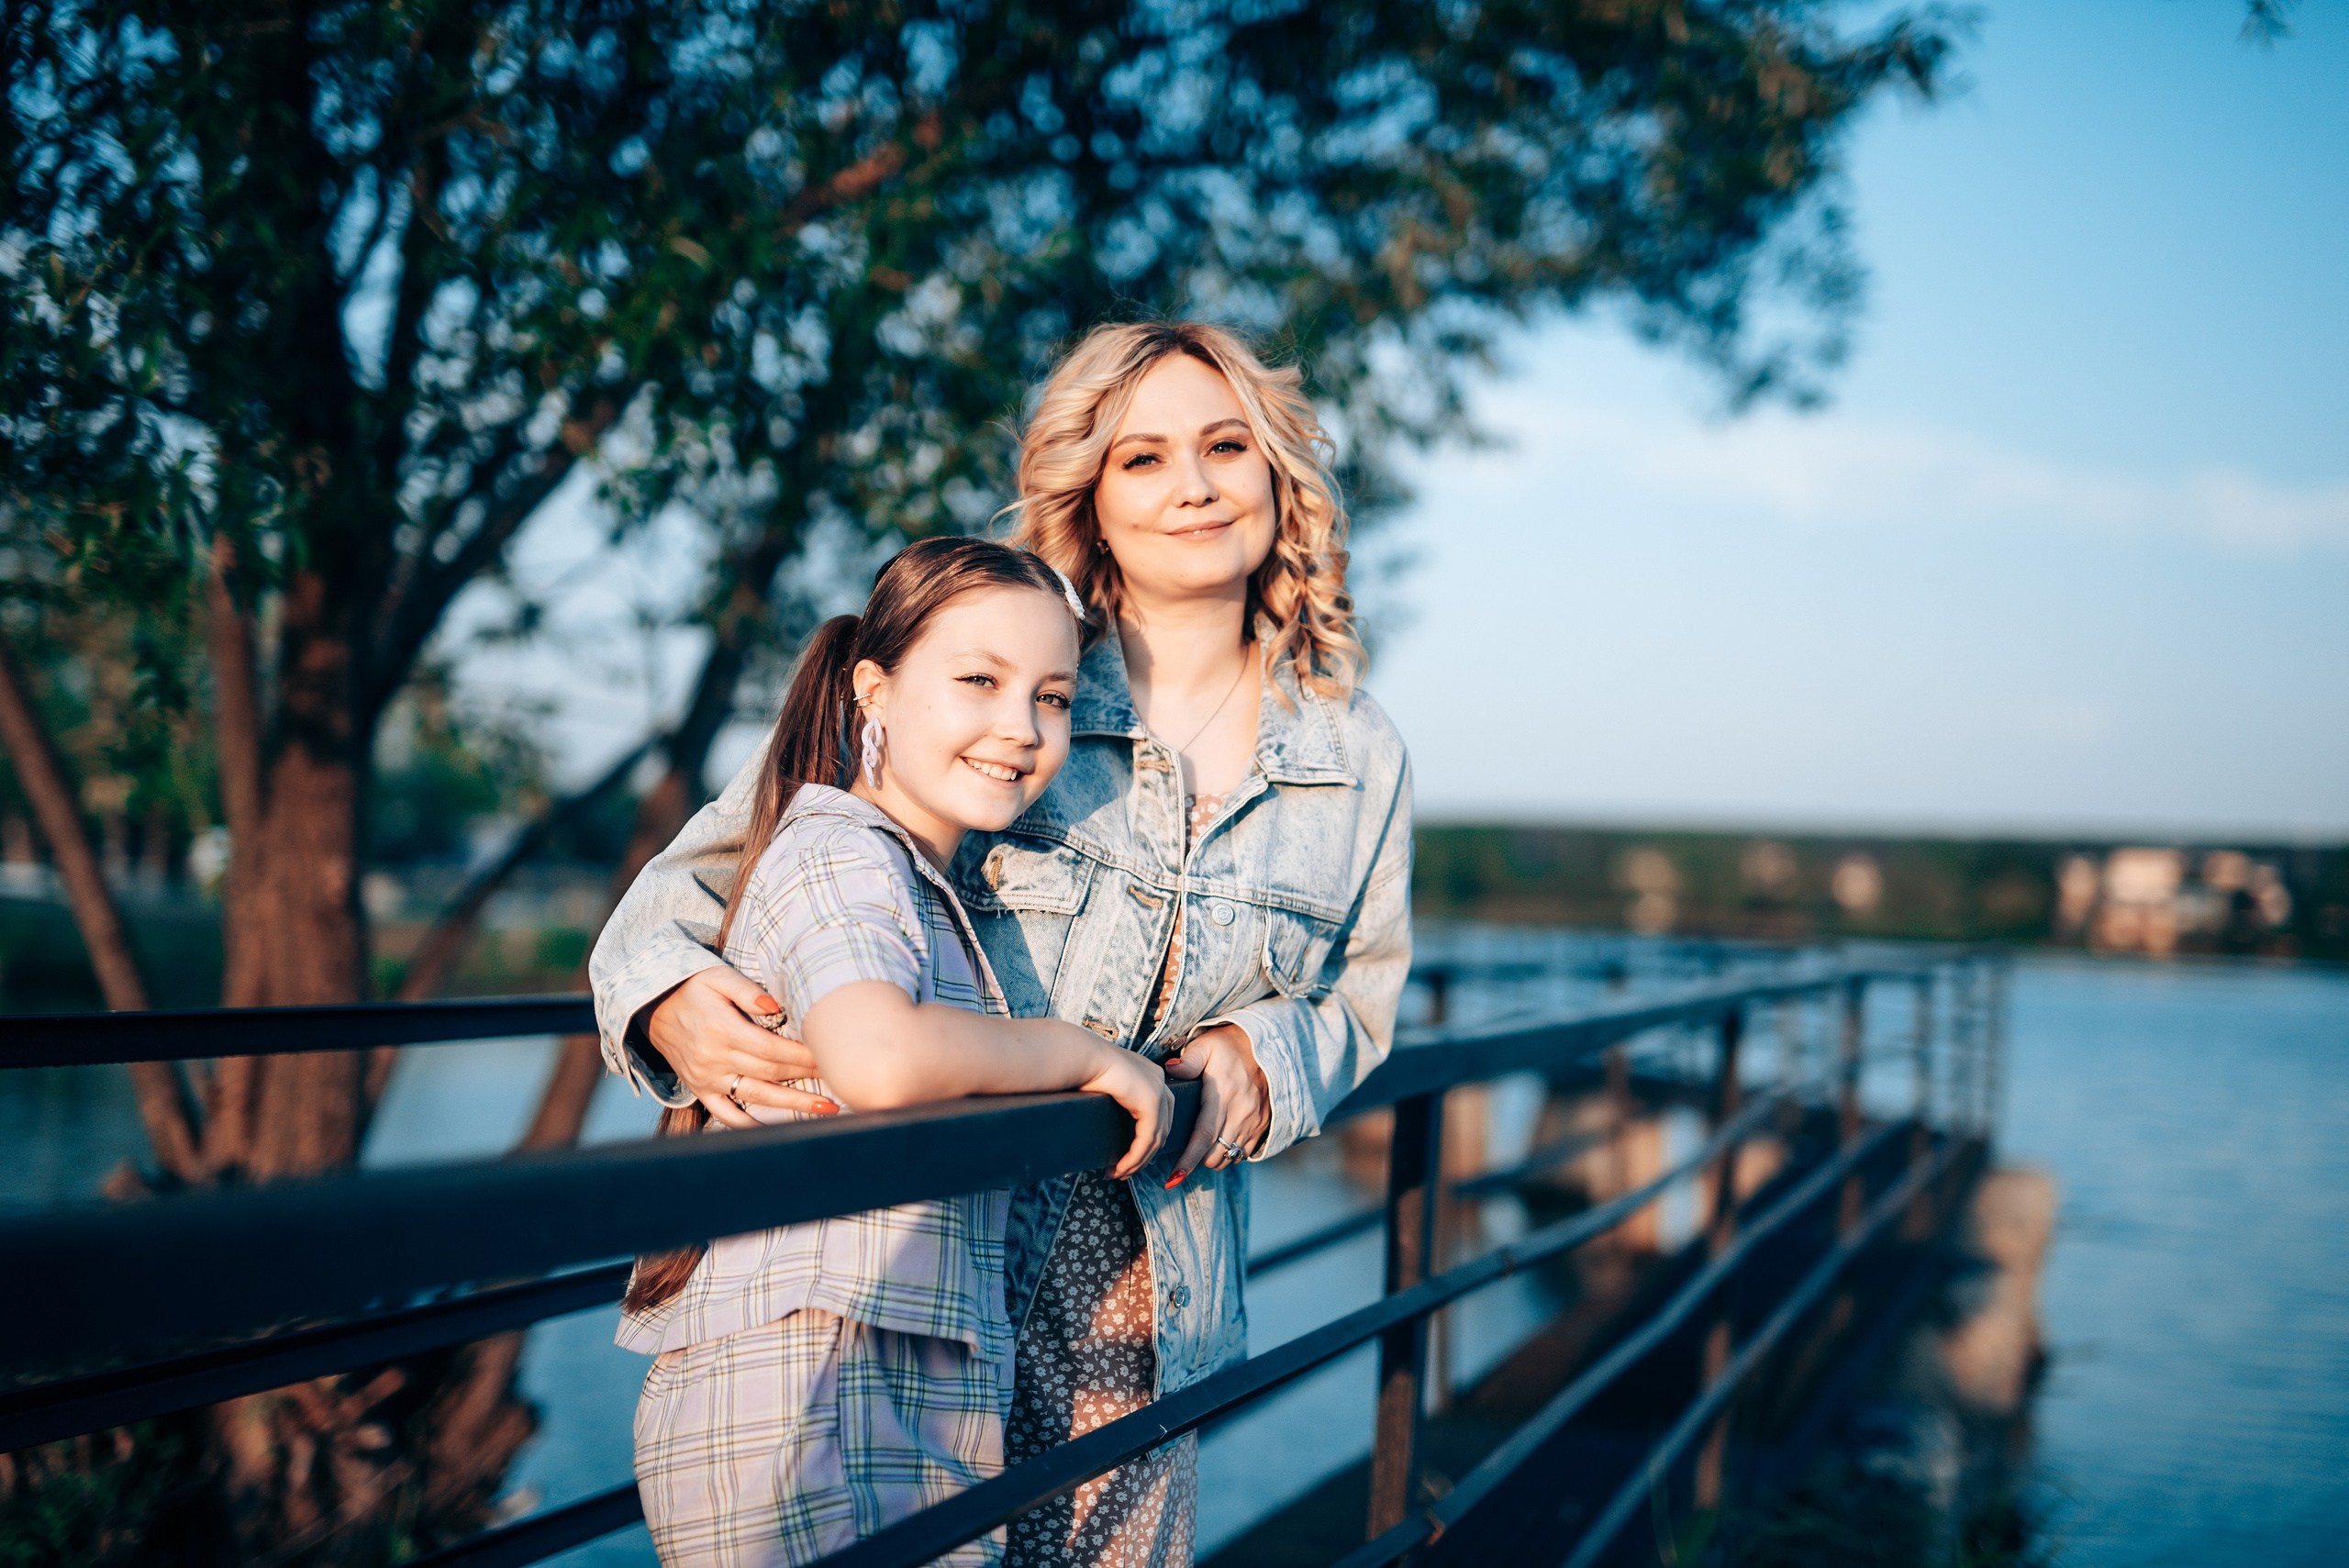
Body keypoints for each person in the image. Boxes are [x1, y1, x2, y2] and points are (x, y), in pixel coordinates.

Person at [592, 320, 1415, 1568]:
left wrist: (1262, 1050)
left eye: (1226, 445)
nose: (1192, 485)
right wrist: (668, 1000)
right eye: (1143, 458)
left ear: (1279, 474)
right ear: (1089, 495)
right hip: (918, 1279)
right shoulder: (1002, 679)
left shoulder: (1357, 757)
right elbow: (722, 867)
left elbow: (1359, 999)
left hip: (1142, 1308)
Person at [610, 537, 1175, 1568]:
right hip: (803, 1399)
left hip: (891, 1383)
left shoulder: (911, 875)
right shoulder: (840, 852)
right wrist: (1085, 1052)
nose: (1021, 727)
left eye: (1052, 697)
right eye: (978, 681)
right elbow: (879, 1058)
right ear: (874, 689)